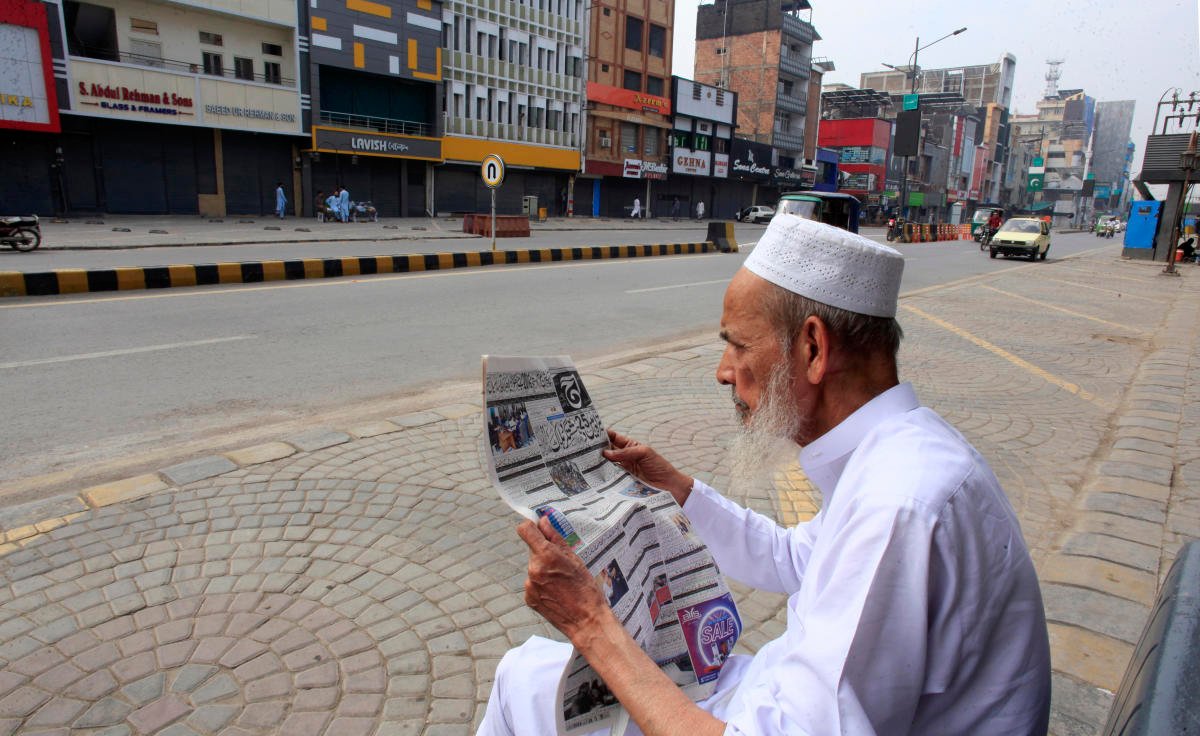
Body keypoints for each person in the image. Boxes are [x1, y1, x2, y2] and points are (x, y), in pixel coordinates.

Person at [479, 213, 1051, 736]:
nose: (723, 372)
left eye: (738, 346)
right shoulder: (898, 458)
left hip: (773, 715)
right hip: (775, 694)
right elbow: (793, 559)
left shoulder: (899, 502)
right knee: (526, 673)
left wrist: (591, 623)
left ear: (812, 348)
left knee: (519, 685)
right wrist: (675, 488)